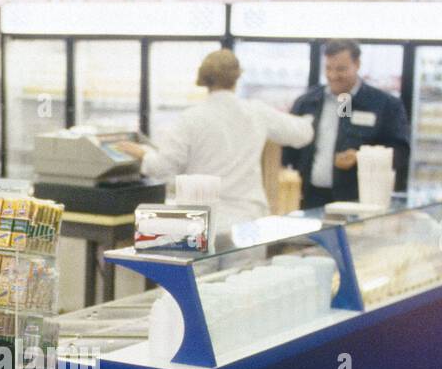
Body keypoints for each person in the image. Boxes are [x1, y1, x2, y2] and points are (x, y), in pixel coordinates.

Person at [118, 49, 314, 236]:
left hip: (200, 220)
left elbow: (164, 166)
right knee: (244, 271)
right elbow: (303, 134)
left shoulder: (190, 118)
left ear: (204, 79)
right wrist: (310, 116)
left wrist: (144, 154)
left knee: (201, 272)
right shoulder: (256, 112)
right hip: (247, 217)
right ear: (237, 77)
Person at [286, 39, 411, 208]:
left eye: (341, 69)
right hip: (310, 199)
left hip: (359, 201)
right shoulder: (307, 102)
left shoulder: (384, 105)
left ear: (357, 64)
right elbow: (289, 148)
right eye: (328, 68)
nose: (333, 76)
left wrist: (361, 156)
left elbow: (400, 151)